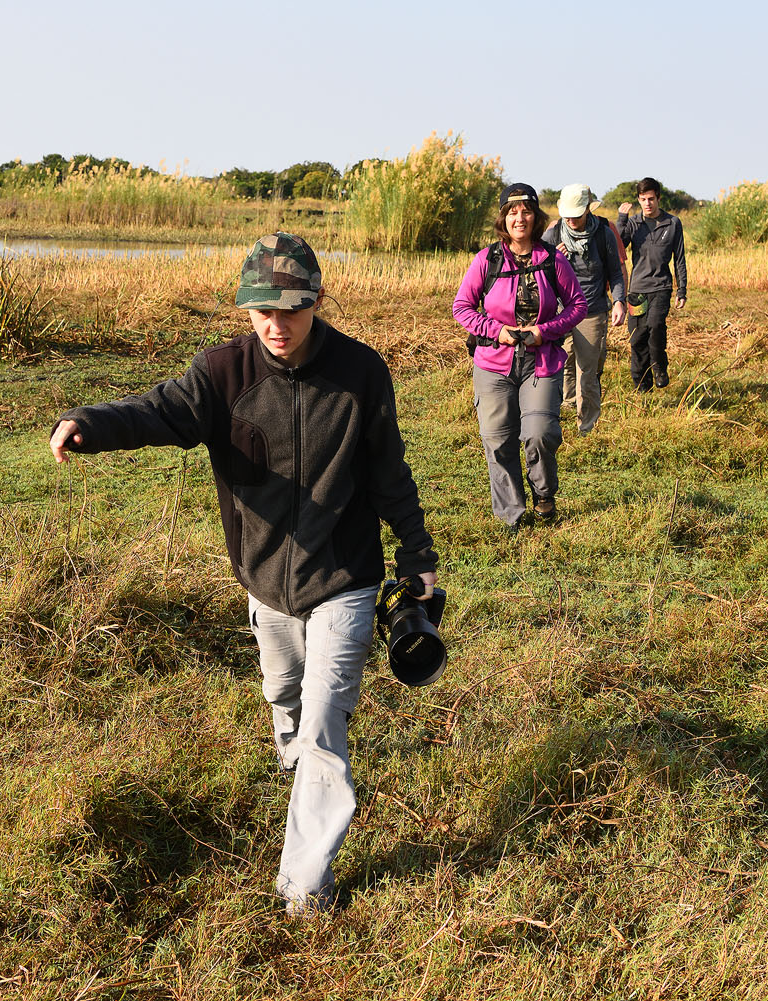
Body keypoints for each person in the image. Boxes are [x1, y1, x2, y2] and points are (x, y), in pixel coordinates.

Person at [49, 232, 439, 915]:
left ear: (317, 299)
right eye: (261, 310)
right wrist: (89, 422)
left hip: (344, 578)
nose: (275, 325)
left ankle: (304, 888)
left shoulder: (361, 373)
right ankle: (298, 769)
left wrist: (418, 558)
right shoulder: (221, 373)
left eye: (289, 309)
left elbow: (390, 476)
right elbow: (159, 410)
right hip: (265, 582)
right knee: (285, 698)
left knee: (323, 723)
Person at [453, 182, 587, 527]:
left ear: (536, 216)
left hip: (541, 363)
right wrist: (495, 330)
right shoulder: (487, 260)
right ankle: (512, 514)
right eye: (512, 211)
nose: (520, 218)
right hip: (494, 364)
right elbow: (462, 307)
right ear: (503, 218)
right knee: (497, 440)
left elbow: (578, 305)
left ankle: (544, 493)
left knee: (539, 432)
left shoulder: (553, 259)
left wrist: (546, 330)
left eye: (526, 210)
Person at [541, 184, 626, 435]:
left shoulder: (603, 233)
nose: (571, 220)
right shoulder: (553, 235)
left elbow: (616, 272)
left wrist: (619, 300)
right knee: (563, 362)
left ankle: (586, 427)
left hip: (591, 310)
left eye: (576, 214)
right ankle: (567, 407)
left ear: (588, 210)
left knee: (587, 370)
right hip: (559, 311)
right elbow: (535, 272)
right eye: (567, 214)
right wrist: (552, 259)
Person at [617, 177, 688, 391]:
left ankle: (659, 367)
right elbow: (619, 248)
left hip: (661, 287)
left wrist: (682, 289)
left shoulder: (672, 223)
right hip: (637, 289)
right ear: (638, 200)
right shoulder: (633, 223)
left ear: (658, 198)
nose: (647, 203)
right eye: (642, 199)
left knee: (655, 325)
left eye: (650, 199)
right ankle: (641, 382)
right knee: (637, 336)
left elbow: (680, 259)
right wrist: (622, 218)